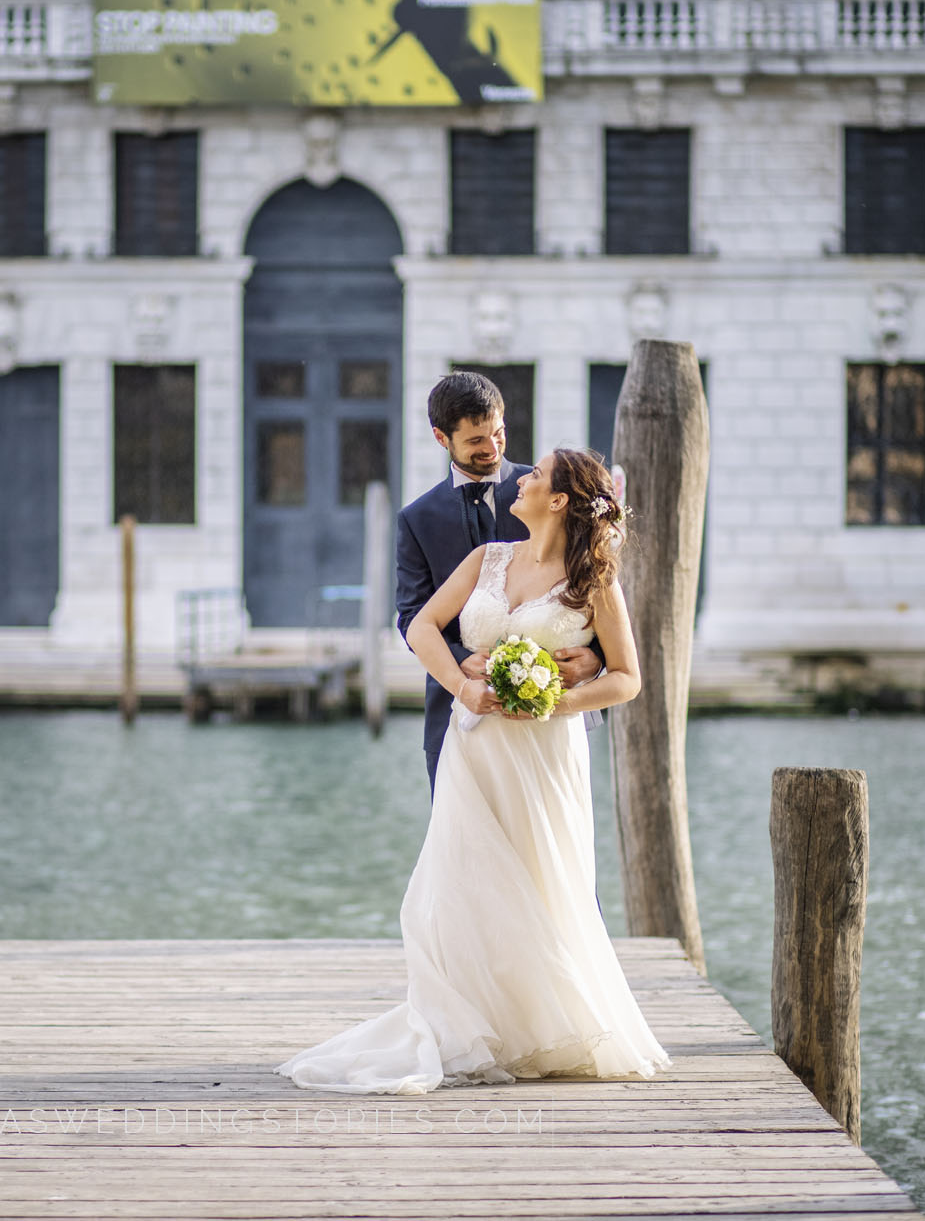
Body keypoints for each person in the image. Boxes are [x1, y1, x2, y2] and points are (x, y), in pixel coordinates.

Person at [275, 447, 670, 1094]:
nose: (522, 478)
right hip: (476, 744)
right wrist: (462, 684)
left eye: (536, 475)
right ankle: (473, 1024)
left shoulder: (591, 582)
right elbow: (425, 626)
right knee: (463, 880)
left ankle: (545, 1024)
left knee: (544, 880)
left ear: (562, 501)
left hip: (545, 755)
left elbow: (627, 678)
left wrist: (553, 699)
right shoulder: (487, 559)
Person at [394, 373, 601, 794]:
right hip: (456, 709)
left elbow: (593, 582)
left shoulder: (544, 490)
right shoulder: (417, 520)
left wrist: (595, 658)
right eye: (475, 442)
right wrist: (459, 662)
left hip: (545, 716)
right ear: (441, 438)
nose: (492, 449)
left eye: (499, 433)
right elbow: (412, 616)